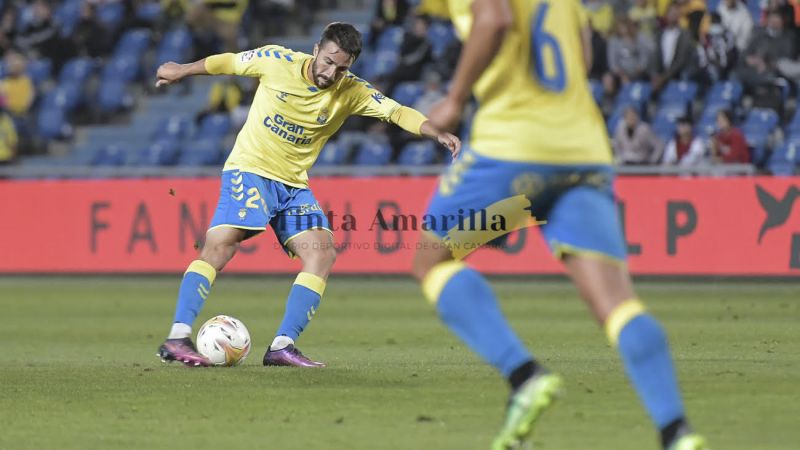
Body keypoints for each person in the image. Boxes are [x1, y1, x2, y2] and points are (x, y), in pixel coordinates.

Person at [411, 1, 708, 449]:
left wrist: (454, 99)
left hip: (513, 145)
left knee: (430, 262)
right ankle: (676, 432)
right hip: (584, 149)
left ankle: (524, 375)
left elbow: (494, 18)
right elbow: (585, 55)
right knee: (618, 305)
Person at [154, 22, 460, 368]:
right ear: (316, 49)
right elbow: (228, 62)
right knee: (221, 244)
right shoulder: (276, 60)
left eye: (342, 67)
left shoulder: (351, 91)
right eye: (328, 61)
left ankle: (282, 346)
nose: (332, 72)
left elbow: (396, 111)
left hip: (293, 185)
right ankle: (178, 337)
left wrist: (436, 132)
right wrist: (183, 69)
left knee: (322, 252)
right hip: (250, 169)